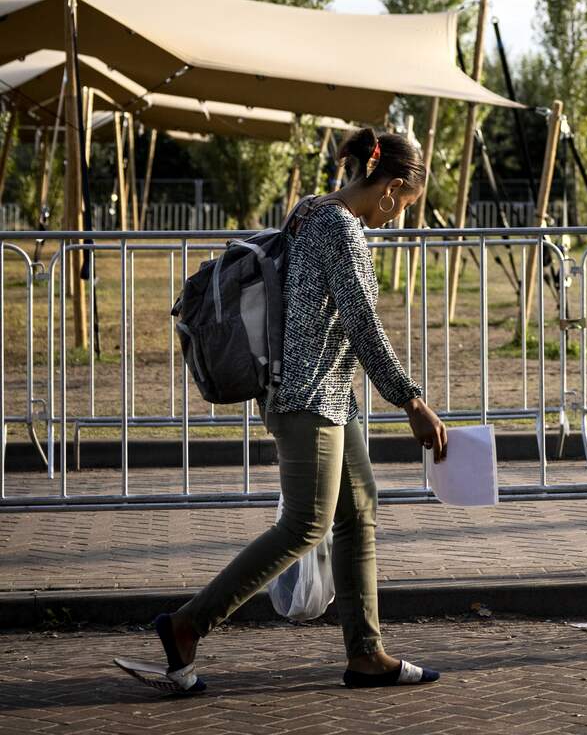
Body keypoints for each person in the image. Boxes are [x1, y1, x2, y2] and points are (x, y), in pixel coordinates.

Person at [126, 128, 448, 692]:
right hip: (308, 398)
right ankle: (186, 625)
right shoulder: (341, 228)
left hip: (327, 395)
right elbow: (361, 323)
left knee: (358, 514)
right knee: (306, 524)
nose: (398, 218)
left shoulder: (311, 210)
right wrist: (410, 400)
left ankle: (367, 654)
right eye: (404, 206)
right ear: (392, 188)